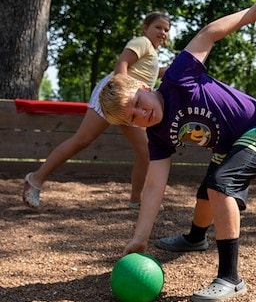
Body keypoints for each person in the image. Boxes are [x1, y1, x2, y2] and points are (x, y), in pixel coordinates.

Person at [99, 0, 256, 302]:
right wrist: (139, 238)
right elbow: (154, 186)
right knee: (206, 192)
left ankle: (230, 278)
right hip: (228, 145)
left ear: (145, 89)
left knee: (220, 185)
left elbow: (208, 33)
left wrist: (251, 14)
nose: (140, 115)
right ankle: (195, 239)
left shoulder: (178, 79)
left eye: (137, 105)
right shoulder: (157, 135)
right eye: (132, 118)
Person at [22, 11, 171, 209]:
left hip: (131, 106)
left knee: (146, 151)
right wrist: (119, 92)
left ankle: (137, 200)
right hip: (113, 97)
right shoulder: (142, 42)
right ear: (145, 27)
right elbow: (122, 63)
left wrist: (165, 71)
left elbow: (145, 74)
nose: (163, 32)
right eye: (158, 27)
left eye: (167, 29)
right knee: (82, 140)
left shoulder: (152, 53)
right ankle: (35, 180)